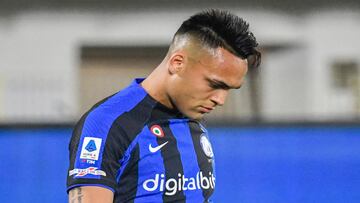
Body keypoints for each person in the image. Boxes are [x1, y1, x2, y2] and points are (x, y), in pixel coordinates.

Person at [67, 9, 261, 203]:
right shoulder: (107, 123)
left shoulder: (193, 119)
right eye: (214, 84)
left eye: (230, 89)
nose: (220, 99)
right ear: (177, 63)